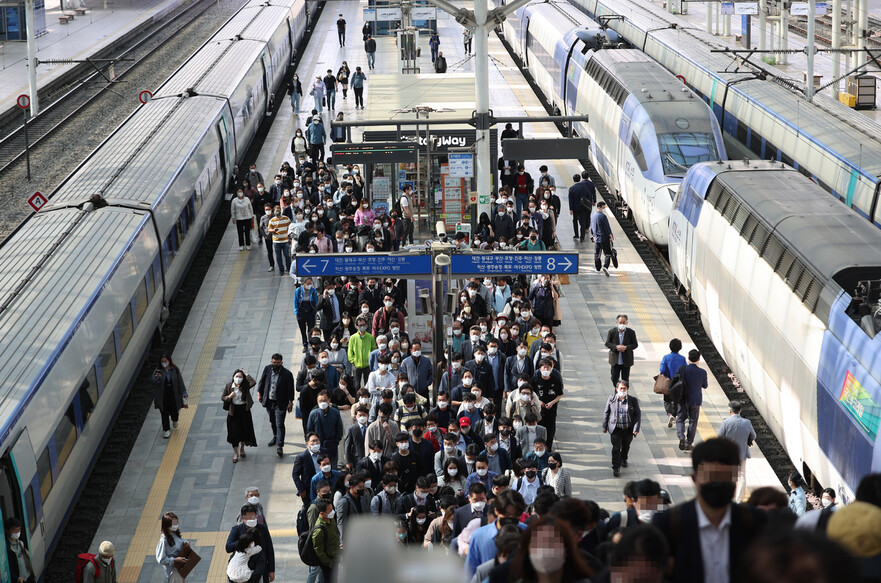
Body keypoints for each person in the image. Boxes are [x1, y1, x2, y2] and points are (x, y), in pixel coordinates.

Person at [651, 437, 767, 583]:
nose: (718, 484)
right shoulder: (667, 524)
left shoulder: (757, 523)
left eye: (726, 477)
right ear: (694, 479)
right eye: (711, 477)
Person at [465, 490, 528, 579]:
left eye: (515, 515)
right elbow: (470, 573)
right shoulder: (479, 536)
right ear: (496, 511)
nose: (510, 519)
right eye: (506, 514)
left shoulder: (528, 533)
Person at [716, 400, 755, 503]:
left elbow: (719, 437)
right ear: (740, 410)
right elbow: (754, 435)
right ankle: (739, 499)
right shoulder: (747, 422)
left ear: (730, 411)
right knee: (742, 475)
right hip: (742, 453)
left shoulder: (726, 422)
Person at [257, 353, 295, 456]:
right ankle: (275, 436)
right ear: (271, 362)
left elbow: (290, 390)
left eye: (277, 363)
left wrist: (290, 402)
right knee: (272, 420)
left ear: (281, 363)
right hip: (269, 401)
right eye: (274, 362)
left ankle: (280, 445)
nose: (275, 364)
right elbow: (262, 381)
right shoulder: (267, 369)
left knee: (279, 423)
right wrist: (259, 393)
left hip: (281, 403)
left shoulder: (287, 374)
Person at [225, 505, 275, 583]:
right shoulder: (237, 530)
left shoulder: (262, 528)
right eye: (248, 517)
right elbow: (228, 548)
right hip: (238, 571)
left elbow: (269, 549)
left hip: (259, 567)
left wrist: (271, 570)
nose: (251, 519)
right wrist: (243, 542)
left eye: (253, 516)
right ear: (242, 518)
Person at [603, 380, 641, 477]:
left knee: (626, 445)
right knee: (616, 448)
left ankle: (624, 458)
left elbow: (637, 415)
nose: (623, 390)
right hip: (616, 429)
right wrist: (605, 426)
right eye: (621, 388)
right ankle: (616, 467)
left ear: (627, 389)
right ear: (617, 389)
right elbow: (606, 412)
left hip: (628, 429)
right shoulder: (612, 399)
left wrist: (636, 429)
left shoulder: (633, 400)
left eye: (624, 388)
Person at [222, 369, 258, 463]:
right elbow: (223, 397)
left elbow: (253, 382)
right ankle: (235, 453)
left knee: (244, 432)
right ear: (233, 377)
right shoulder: (229, 386)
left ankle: (242, 448)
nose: (238, 378)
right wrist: (229, 397)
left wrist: (245, 373)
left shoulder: (245, 386)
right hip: (233, 413)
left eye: (240, 377)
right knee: (234, 434)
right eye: (236, 376)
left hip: (244, 412)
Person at [676, 349, 708, 452]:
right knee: (693, 421)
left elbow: (675, 380)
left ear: (688, 358)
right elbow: (705, 385)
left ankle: (681, 436)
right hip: (695, 400)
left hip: (683, 399)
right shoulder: (702, 372)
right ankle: (688, 443)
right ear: (698, 359)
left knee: (680, 418)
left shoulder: (682, 368)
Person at [151, 354, 188, 439]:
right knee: (164, 412)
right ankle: (166, 429)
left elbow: (180, 382)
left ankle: (175, 419)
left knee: (174, 410)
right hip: (163, 395)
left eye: (165, 361)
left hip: (174, 394)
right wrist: (157, 378)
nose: (164, 363)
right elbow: (153, 380)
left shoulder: (174, 370)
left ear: (169, 361)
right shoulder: (158, 370)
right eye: (162, 362)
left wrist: (184, 393)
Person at [307, 390, 344, 468]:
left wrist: (337, 440)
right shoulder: (313, 414)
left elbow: (339, 428)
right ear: (317, 401)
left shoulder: (335, 412)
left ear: (329, 400)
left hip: (332, 445)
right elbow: (309, 430)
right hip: (318, 446)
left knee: (333, 467)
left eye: (324, 400)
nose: (322, 403)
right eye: (320, 401)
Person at [659, 338, 687, 428]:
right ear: (680, 348)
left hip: (668, 383)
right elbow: (685, 370)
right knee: (676, 400)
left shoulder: (666, 358)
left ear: (670, 347)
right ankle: (674, 415)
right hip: (679, 383)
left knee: (667, 401)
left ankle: (669, 415)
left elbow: (662, 370)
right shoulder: (682, 359)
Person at [605, 314, 638, 388]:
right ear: (617, 322)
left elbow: (635, 344)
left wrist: (626, 347)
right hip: (615, 360)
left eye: (624, 322)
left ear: (627, 323)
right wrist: (616, 347)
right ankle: (618, 389)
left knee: (625, 380)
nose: (622, 324)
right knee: (614, 378)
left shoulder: (631, 332)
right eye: (620, 323)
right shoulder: (612, 332)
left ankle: (623, 393)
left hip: (626, 360)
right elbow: (607, 343)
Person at [156, 512, 190, 583]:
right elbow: (161, 559)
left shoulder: (174, 533)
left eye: (176, 522)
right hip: (173, 572)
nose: (175, 525)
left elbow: (179, 541)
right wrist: (174, 560)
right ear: (167, 525)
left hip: (180, 569)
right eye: (173, 523)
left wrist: (185, 542)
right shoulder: (163, 540)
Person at [311, 498, 340, 582]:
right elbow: (319, 550)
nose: (332, 512)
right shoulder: (319, 530)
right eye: (330, 510)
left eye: (332, 509)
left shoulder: (331, 520)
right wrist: (329, 563)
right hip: (329, 563)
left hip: (335, 557)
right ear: (322, 513)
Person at [293, 433, 323, 505]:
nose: (315, 443)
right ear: (307, 443)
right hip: (309, 489)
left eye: (317, 440)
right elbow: (295, 474)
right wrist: (301, 489)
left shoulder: (324, 452)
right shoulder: (302, 457)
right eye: (313, 441)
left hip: (323, 486)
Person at [5, 518, 35, 583]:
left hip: (29, 577)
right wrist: (16, 579)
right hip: (21, 581)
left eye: (19, 530)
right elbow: (7, 569)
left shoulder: (20, 543)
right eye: (14, 530)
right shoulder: (7, 548)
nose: (17, 532)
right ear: (7, 531)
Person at [294, 278, 319, 352]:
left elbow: (315, 301)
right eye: (307, 284)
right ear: (303, 284)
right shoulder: (298, 291)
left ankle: (311, 344)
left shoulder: (313, 291)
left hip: (310, 312)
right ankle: (305, 345)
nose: (309, 285)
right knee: (303, 330)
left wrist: (315, 311)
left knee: (311, 330)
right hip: (301, 313)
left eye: (310, 283)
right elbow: (295, 302)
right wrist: (297, 312)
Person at [568, 172, 594, 242]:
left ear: (573, 180)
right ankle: (582, 237)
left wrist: (571, 209)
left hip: (575, 208)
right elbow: (589, 196)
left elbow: (570, 200)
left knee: (575, 221)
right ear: (580, 179)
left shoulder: (572, 188)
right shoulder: (584, 187)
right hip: (583, 207)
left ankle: (576, 234)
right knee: (583, 222)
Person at [591, 200, 614, 276]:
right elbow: (607, 228)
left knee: (597, 254)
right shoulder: (603, 216)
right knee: (607, 253)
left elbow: (592, 227)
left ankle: (597, 268)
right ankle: (605, 267)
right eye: (604, 207)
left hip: (596, 239)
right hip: (604, 238)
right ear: (600, 207)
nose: (604, 209)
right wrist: (611, 236)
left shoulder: (593, 216)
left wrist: (593, 235)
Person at [267, 205, 291, 275]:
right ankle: (281, 270)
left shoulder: (286, 218)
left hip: (285, 240)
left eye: (279, 210)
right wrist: (273, 230)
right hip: (276, 241)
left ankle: (289, 268)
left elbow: (290, 227)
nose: (278, 211)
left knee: (287, 255)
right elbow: (269, 229)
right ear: (274, 211)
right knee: (278, 257)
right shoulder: (272, 220)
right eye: (276, 210)